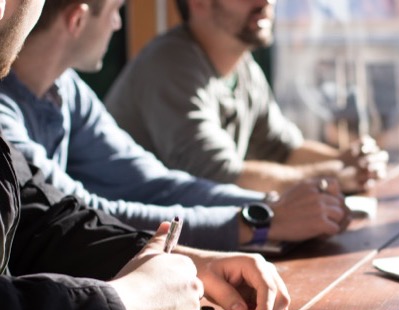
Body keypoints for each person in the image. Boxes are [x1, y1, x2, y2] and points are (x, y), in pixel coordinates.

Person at [0, 0, 291, 310]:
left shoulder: (66, 90)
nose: (120, 24)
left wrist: (178, 259)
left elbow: (43, 217)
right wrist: (127, 303)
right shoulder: (171, 63)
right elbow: (98, 204)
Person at [0, 0, 351, 252]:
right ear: (77, 19)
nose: (119, 25)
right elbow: (81, 216)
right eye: (116, 11)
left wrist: (269, 204)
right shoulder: (6, 115)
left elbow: (152, 182)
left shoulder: (66, 89)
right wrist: (258, 221)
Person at [105, 0, 388, 195]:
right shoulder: (169, 64)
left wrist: (349, 161)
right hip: (136, 245)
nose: (267, 1)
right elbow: (220, 177)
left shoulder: (242, 66)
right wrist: (335, 176)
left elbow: (284, 149)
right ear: (199, 2)